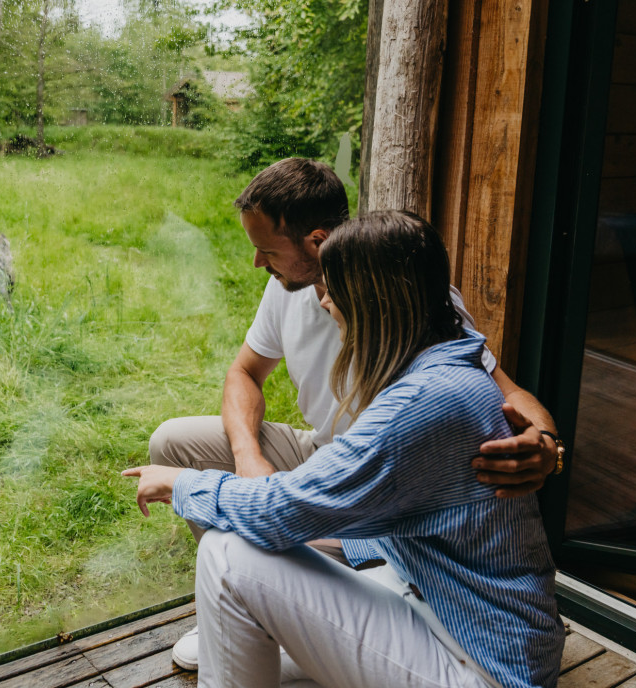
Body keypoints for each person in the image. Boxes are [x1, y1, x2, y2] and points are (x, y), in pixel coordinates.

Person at [148, 158, 561, 670]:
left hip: (382, 510)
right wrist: (247, 456)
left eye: (267, 249)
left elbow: (500, 390)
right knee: (176, 443)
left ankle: (259, 601)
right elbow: (244, 373)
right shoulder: (290, 290)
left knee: (231, 550)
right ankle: (250, 611)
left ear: (317, 243)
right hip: (343, 473)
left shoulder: (418, 321)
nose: (258, 263)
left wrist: (546, 444)